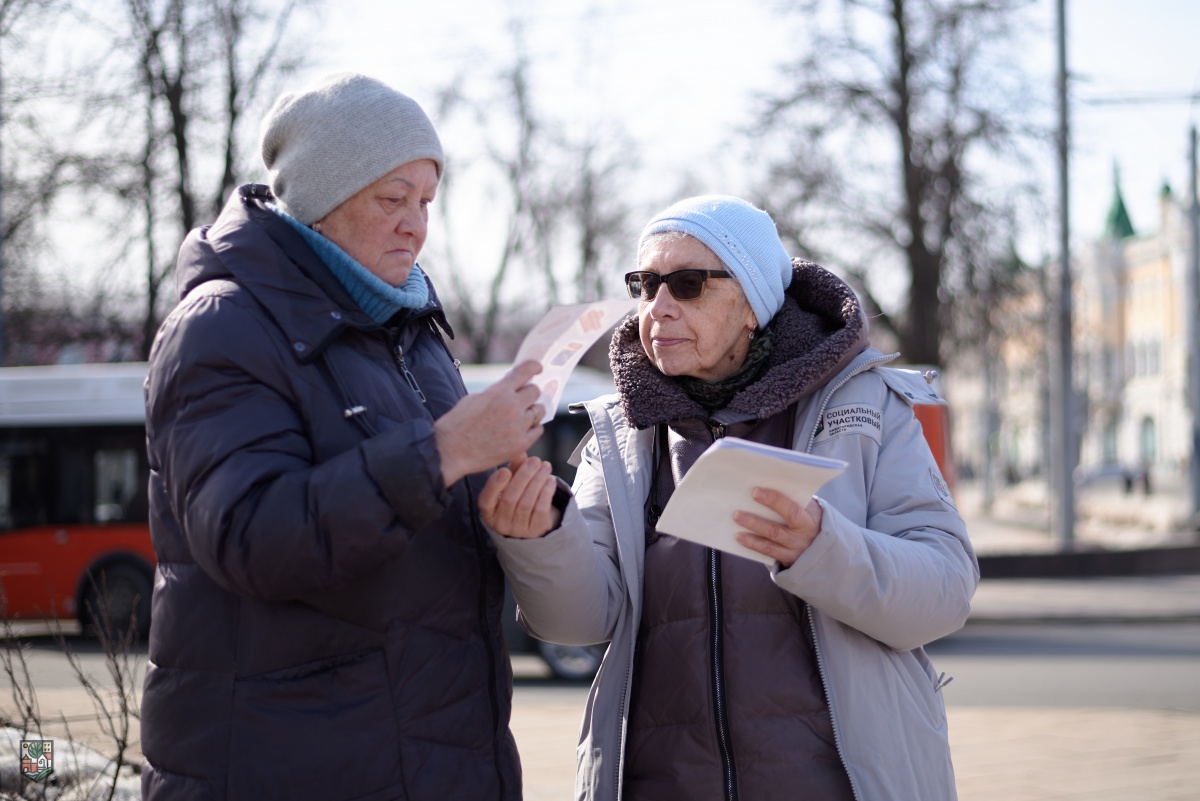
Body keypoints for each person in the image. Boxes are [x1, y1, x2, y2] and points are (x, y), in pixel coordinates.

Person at [481, 195, 978, 801]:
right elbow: (575, 623)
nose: (657, 308)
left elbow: (946, 591)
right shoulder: (621, 433)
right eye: (645, 285)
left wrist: (820, 549)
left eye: (688, 285)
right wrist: (541, 538)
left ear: (751, 303)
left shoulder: (866, 406)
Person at [141, 72, 546, 801]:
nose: (416, 225)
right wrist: (445, 451)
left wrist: (506, 505)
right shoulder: (222, 327)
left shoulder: (412, 332)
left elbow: (417, 537)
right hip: (298, 767)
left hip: (438, 762)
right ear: (323, 198)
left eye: (426, 201)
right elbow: (251, 534)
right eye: (393, 198)